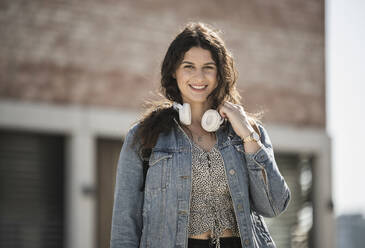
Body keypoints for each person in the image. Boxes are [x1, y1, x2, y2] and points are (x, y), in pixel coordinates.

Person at [110, 22, 290, 248]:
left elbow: (274, 205)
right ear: (174, 72)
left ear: (220, 74)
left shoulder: (248, 132)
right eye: (188, 66)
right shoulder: (144, 137)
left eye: (208, 67)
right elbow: (125, 224)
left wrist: (247, 133)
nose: (199, 76)